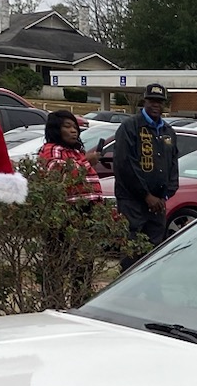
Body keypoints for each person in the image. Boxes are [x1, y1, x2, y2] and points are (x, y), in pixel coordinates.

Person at [113, 84, 179, 268]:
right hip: (132, 202)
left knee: (154, 250)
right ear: (145, 101)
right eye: (152, 101)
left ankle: (150, 289)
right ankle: (127, 290)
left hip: (158, 203)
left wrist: (165, 194)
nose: (155, 105)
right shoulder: (130, 127)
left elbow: (173, 164)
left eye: (159, 101)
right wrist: (146, 195)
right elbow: (125, 164)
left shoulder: (168, 132)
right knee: (132, 250)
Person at [37, 110, 100, 197]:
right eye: (67, 126)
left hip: (88, 206)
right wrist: (87, 161)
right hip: (72, 207)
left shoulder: (76, 152)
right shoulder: (53, 149)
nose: (73, 131)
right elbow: (60, 175)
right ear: (56, 129)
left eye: (75, 127)